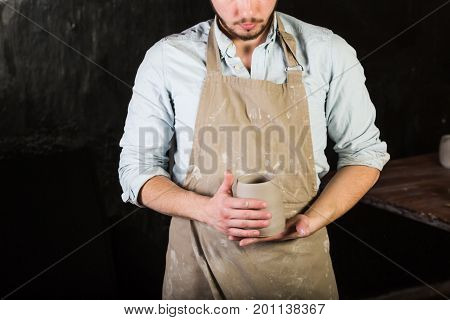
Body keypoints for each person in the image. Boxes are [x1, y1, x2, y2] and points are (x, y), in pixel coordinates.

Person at [118, 0, 390, 299]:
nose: (247, 10)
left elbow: (364, 154)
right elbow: (137, 168)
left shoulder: (328, 52)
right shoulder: (168, 58)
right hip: (200, 269)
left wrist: (313, 219)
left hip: (299, 273)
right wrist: (206, 211)